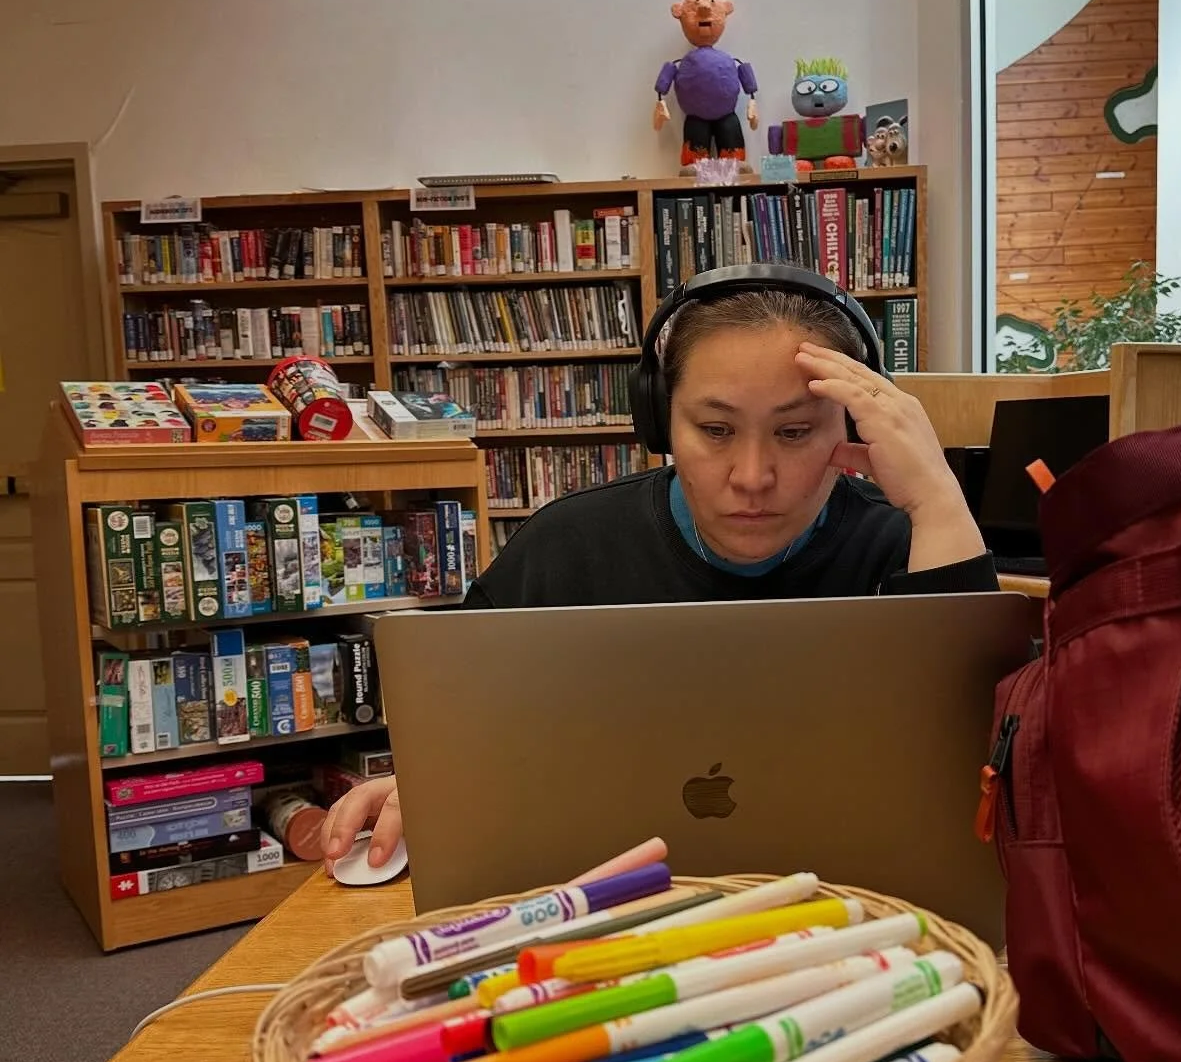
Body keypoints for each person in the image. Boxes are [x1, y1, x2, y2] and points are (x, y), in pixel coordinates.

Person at [321, 268, 996, 871]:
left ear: (847, 428)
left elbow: (984, 777)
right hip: (603, 911)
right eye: (715, 429)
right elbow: (460, 731)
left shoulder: (905, 544)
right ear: (660, 423)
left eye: (794, 433)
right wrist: (433, 780)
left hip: (849, 918)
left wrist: (937, 498)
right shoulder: (568, 545)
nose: (753, 477)